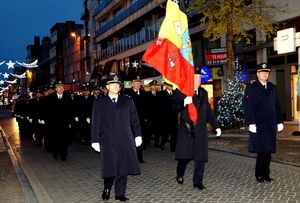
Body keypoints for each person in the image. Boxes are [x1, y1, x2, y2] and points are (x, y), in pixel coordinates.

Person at [91, 74, 142, 202]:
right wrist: (95, 140)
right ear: (107, 87)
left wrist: (138, 135)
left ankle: (120, 193)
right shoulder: (100, 102)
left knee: (123, 166)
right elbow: (95, 122)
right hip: (107, 139)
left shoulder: (127, 101)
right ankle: (107, 188)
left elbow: (135, 120)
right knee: (110, 165)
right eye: (112, 84)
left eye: (117, 84)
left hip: (125, 138)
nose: (115, 86)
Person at [172, 67, 221, 190]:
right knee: (185, 156)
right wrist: (184, 101)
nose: (198, 79)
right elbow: (173, 107)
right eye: (195, 77)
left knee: (200, 156)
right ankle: (180, 173)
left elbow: (208, 111)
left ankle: (197, 181)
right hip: (185, 129)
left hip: (199, 129)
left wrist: (216, 126)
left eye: (199, 77)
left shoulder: (203, 93)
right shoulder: (181, 92)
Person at [242, 63, 284, 183]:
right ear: (257, 74)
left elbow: (277, 105)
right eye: (262, 72)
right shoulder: (252, 87)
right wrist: (251, 123)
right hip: (258, 124)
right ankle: (259, 174)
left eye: (267, 72)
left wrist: (279, 121)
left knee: (269, 150)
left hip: (270, 123)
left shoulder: (272, 87)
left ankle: (266, 174)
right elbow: (248, 106)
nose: (265, 74)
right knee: (261, 150)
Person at [122, 76, 148, 163]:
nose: (137, 85)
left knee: (139, 138)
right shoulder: (127, 93)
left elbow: (146, 107)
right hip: (130, 120)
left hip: (141, 119)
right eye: (136, 83)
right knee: (131, 139)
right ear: (132, 84)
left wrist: (146, 118)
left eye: (139, 84)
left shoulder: (144, 93)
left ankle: (139, 158)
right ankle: (130, 158)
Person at [45, 80, 72, 161]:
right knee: (55, 140)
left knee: (64, 140)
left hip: (64, 123)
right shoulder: (50, 98)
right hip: (54, 124)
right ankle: (55, 153)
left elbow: (71, 110)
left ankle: (63, 156)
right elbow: (48, 111)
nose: (61, 88)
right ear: (56, 89)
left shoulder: (67, 97)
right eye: (59, 87)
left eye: (62, 87)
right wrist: (48, 122)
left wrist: (70, 122)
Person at [159, 82, 178, 151]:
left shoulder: (175, 93)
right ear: (166, 86)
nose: (171, 86)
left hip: (174, 116)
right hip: (166, 117)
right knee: (165, 132)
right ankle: (163, 143)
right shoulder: (162, 94)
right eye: (169, 85)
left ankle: (173, 147)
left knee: (174, 133)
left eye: (172, 85)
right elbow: (160, 106)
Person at [145, 80, 160, 147]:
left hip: (157, 115)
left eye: (155, 85)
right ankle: (148, 141)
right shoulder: (147, 95)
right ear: (150, 87)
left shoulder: (159, 94)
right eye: (153, 85)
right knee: (149, 130)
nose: (155, 86)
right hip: (150, 115)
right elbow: (146, 106)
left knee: (157, 130)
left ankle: (156, 143)